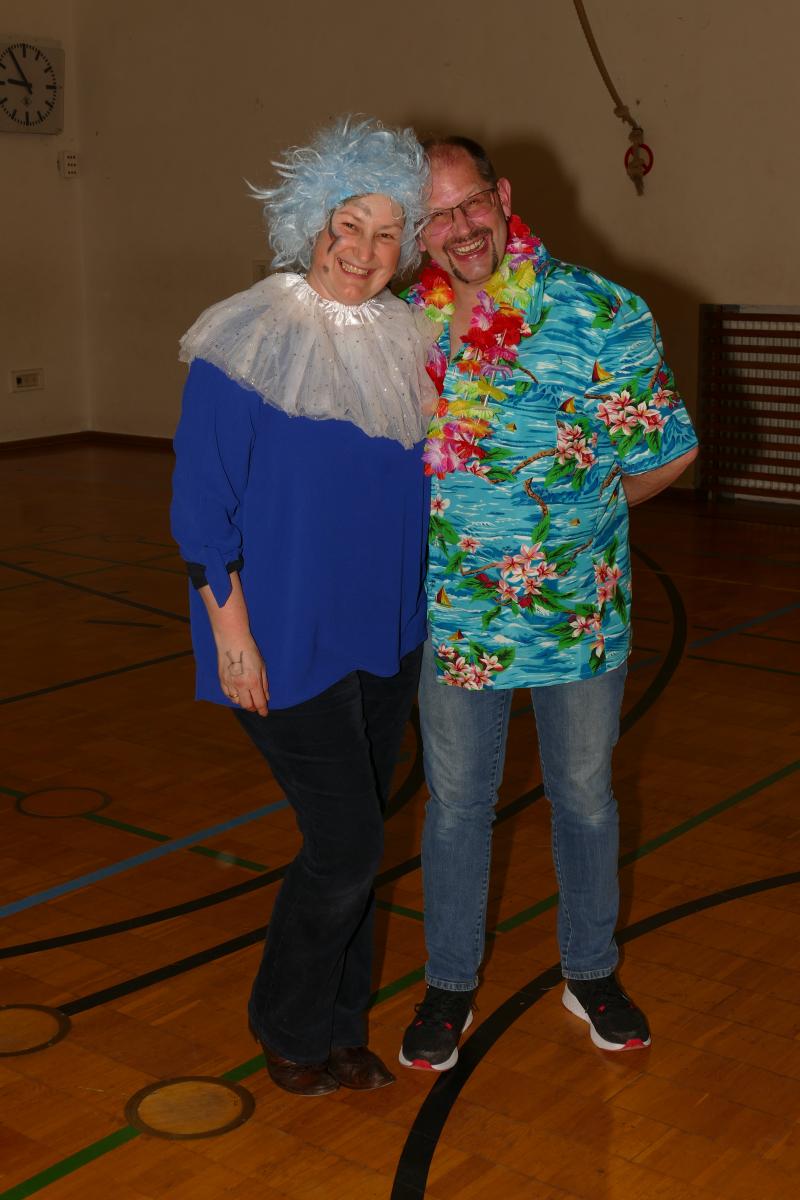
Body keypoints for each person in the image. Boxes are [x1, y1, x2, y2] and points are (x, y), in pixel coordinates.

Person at [398, 136, 699, 1071]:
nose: (459, 228)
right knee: (456, 805)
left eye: (469, 203)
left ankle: (590, 971)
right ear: (419, 234)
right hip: (458, 614)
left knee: (585, 800)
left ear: (503, 196)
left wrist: (581, 522)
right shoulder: (404, 326)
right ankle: (449, 984)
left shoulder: (601, 310)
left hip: (577, 610)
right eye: (435, 217)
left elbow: (671, 452)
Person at [171, 117, 438, 1096]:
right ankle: (288, 1029)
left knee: (357, 845)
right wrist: (231, 638)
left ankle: (339, 1027)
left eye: (386, 232)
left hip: (386, 633)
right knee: (348, 844)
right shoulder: (244, 335)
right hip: (280, 636)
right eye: (348, 225)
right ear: (310, 223)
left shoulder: (413, 339)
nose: (364, 250)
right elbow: (201, 508)